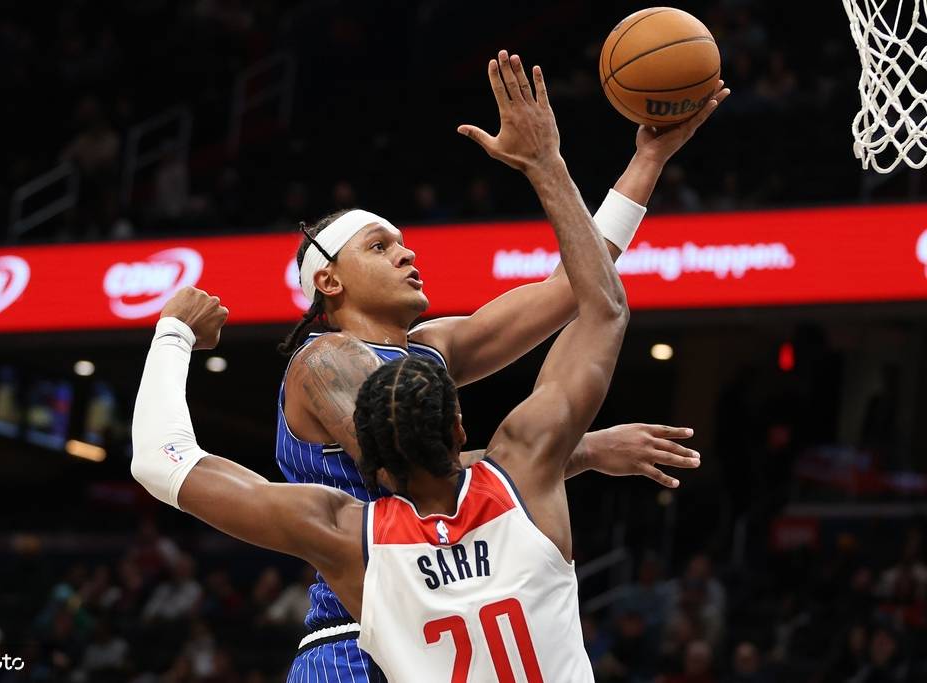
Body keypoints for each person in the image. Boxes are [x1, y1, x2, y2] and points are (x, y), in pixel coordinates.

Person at [131, 56, 727, 681]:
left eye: (403, 242)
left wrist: (647, 161)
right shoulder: (324, 359)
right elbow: (411, 469)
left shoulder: (432, 347)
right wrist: (575, 450)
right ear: (329, 281)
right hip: (359, 632)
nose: (406, 252)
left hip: (456, 602)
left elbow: (578, 285)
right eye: (379, 246)